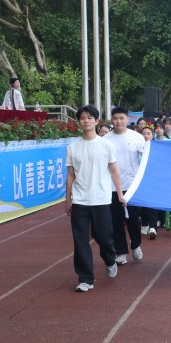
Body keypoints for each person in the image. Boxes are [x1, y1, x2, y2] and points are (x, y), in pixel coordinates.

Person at [65, 105, 125, 292]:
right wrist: (68, 200)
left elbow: (114, 171)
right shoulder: (73, 147)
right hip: (80, 200)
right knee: (80, 241)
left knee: (103, 237)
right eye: (83, 118)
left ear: (97, 121)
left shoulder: (106, 145)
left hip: (101, 198)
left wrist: (120, 194)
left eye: (90, 118)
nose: (86, 121)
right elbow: (70, 175)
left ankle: (109, 258)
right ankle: (85, 278)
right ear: (79, 121)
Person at [103, 106, 146, 264]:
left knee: (133, 219)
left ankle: (136, 245)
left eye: (122, 118)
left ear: (127, 119)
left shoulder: (137, 137)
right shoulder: (105, 140)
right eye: (115, 118)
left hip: (132, 186)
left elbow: (147, 157)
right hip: (112, 187)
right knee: (116, 221)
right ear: (111, 120)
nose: (118, 121)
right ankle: (120, 252)